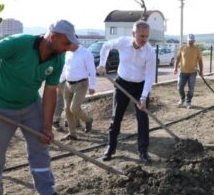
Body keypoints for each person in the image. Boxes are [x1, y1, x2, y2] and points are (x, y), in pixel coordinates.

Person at [0, 19, 78, 195]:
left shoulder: (58, 58)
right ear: (53, 37)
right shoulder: (18, 43)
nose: (68, 48)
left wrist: (47, 126)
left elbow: (49, 93)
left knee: (40, 148)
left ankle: (47, 194)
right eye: (66, 43)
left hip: (31, 106)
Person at [97, 20, 156, 163]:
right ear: (133, 33)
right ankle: (111, 147)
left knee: (143, 119)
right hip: (122, 84)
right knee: (116, 116)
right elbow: (106, 46)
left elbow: (149, 76)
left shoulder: (150, 52)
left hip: (140, 86)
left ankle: (143, 151)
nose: (144, 40)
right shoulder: (123, 42)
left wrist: (143, 97)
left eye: (147, 37)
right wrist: (102, 65)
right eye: (141, 36)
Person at [60, 43, 96, 140]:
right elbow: (65, 68)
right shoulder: (68, 52)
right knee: (67, 110)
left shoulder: (85, 53)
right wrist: (60, 80)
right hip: (67, 85)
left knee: (74, 108)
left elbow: (92, 70)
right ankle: (72, 134)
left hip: (81, 84)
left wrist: (92, 86)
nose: (66, 46)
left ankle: (88, 120)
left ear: (74, 42)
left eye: (68, 43)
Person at [173, 33, 203, 109]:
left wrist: (201, 71)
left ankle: (188, 101)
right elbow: (178, 58)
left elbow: (200, 61)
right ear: (187, 40)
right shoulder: (182, 48)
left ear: (194, 41)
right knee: (180, 87)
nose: (191, 42)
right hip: (183, 72)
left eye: (192, 41)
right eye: (189, 41)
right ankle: (182, 99)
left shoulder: (197, 49)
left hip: (193, 72)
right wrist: (175, 68)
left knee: (191, 88)